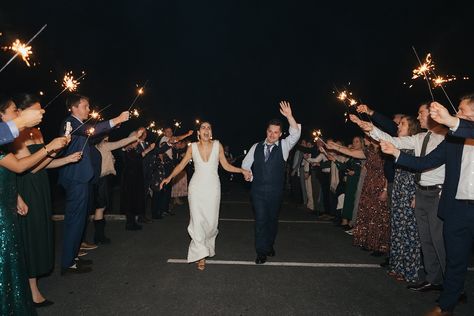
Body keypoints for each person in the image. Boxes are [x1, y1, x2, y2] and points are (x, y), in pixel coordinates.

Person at [380, 97, 474, 316]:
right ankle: (446, 306)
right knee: (455, 259)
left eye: (461, 110)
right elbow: (424, 163)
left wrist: (452, 120)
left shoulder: (457, 127)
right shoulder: (453, 140)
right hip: (458, 208)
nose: (457, 113)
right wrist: (396, 153)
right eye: (456, 110)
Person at [351, 102, 448, 292]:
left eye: (421, 113)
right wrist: (372, 130)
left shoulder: (446, 138)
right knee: (425, 239)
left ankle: (451, 284)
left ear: (432, 113)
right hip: (421, 192)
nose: (418, 117)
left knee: (439, 241)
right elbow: (395, 140)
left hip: (437, 192)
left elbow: (427, 163)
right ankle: (433, 278)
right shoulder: (420, 137)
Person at [11, 94, 82, 307]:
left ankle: (31, 285)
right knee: (30, 235)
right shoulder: (16, 135)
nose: (41, 113)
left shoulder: (38, 132)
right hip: (26, 187)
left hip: (40, 185)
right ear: (22, 112)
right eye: (37, 110)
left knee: (41, 232)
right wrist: (50, 148)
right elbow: (28, 167)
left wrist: (62, 154)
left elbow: (42, 165)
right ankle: (31, 290)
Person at [0, 97, 68, 315]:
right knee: (13, 250)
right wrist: (49, 148)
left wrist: (58, 151)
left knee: (15, 251)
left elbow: (15, 170)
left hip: (15, 195)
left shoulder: (27, 134)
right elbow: (22, 167)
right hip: (9, 202)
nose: (17, 115)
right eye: (14, 111)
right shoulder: (11, 136)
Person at [160, 121, 251, 270]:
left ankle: (206, 245)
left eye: (209, 128)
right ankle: (200, 255)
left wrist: (241, 170)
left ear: (211, 132)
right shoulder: (193, 147)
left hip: (213, 187)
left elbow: (226, 165)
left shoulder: (217, 145)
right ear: (198, 133)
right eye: (203, 127)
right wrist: (169, 177)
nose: (206, 130)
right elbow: (181, 165)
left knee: (211, 222)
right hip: (196, 187)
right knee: (197, 220)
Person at [58, 94, 130, 275]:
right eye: (85, 106)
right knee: (74, 222)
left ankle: (73, 258)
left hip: (84, 179)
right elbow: (90, 131)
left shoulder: (79, 125)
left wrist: (113, 127)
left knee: (80, 221)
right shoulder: (70, 123)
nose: (88, 110)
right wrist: (116, 119)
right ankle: (67, 264)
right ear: (74, 108)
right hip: (76, 179)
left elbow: (93, 136)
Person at [242, 101, 301, 264]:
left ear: (281, 134)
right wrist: (248, 174)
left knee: (272, 220)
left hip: (275, 192)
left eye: (276, 132)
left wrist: (289, 116)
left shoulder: (284, 146)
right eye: (270, 131)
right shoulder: (256, 146)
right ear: (266, 131)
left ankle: (269, 244)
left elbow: (295, 134)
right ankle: (261, 251)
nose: (272, 134)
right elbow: (246, 164)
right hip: (258, 191)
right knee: (260, 219)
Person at [93, 130, 146, 243]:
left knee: (101, 207)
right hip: (103, 178)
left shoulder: (98, 146)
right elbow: (119, 144)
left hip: (103, 177)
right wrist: (134, 137)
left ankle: (99, 236)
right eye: (106, 135)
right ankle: (99, 236)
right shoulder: (104, 145)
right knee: (101, 207)